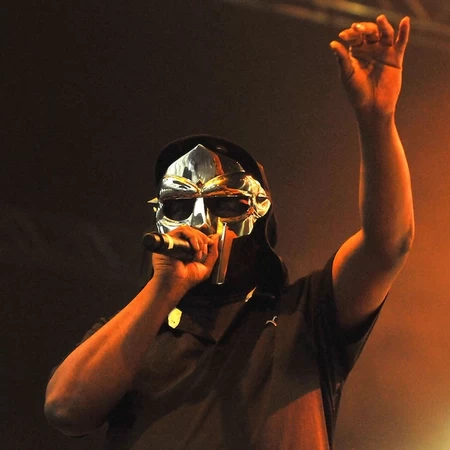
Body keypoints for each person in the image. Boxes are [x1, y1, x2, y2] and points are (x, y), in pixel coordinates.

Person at [45, 15, 414, 450]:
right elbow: (66, 408)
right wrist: (163, 290)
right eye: (180, 206)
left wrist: (377, 119)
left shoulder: (306, 315)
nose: (201, 220)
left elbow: (387, 245)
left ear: (259, 213)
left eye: (225, 204)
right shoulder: (135, 333)